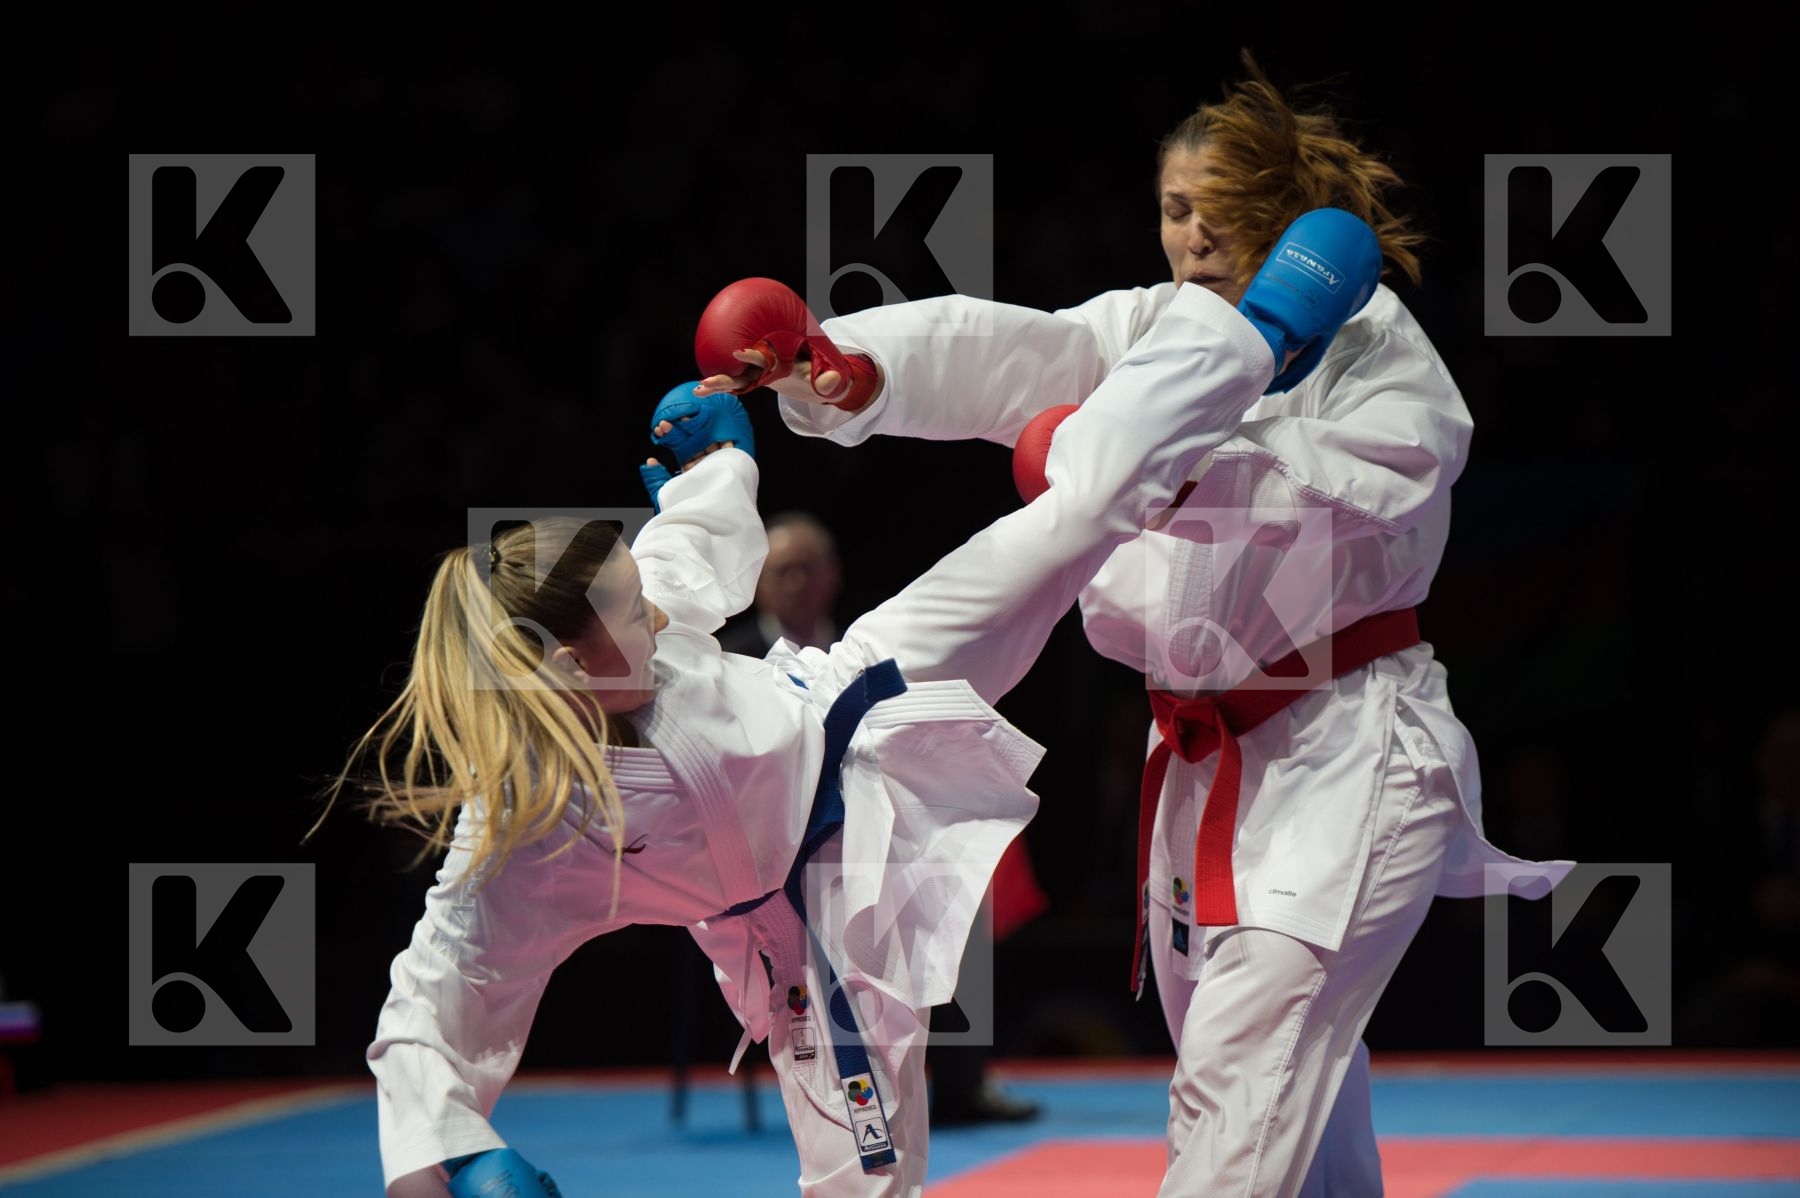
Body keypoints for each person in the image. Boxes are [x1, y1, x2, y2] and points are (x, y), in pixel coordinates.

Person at [334, 205, 1364, 1198]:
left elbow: (688, 551)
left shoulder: (636, 613)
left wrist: (723, 452)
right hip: (809, 926)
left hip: (863, 692)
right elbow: (430, 1002)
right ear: (559, 669)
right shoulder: (522, 827)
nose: (647, 608)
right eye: (621, 608)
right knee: (864, 1186)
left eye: (631, 586)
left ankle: (1257, 338)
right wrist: (462, 1152)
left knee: (1076, 512)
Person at [696, 56, 1575, 1198]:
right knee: (1289, 1103)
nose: (1194, 232)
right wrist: (852, 368)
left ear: (1285, 209)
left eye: (1223, 207)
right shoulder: (1158, 332)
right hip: (1204, 769)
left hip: (1349, 753)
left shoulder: (1371, 344)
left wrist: (1155, 458)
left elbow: (1373, 487)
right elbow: (1012, 352)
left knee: (1239, 1083)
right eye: (1173, 209)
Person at [720, 512, 1046, 1127]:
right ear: (760, 584)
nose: (795, 582)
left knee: (953, 891)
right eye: (781, 571)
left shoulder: (868, 643)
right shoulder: (731, 657)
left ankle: (958, 1081)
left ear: (832, 576)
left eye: (807, 569)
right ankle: (835, 1089)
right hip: (772, 852)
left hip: (870, 826)